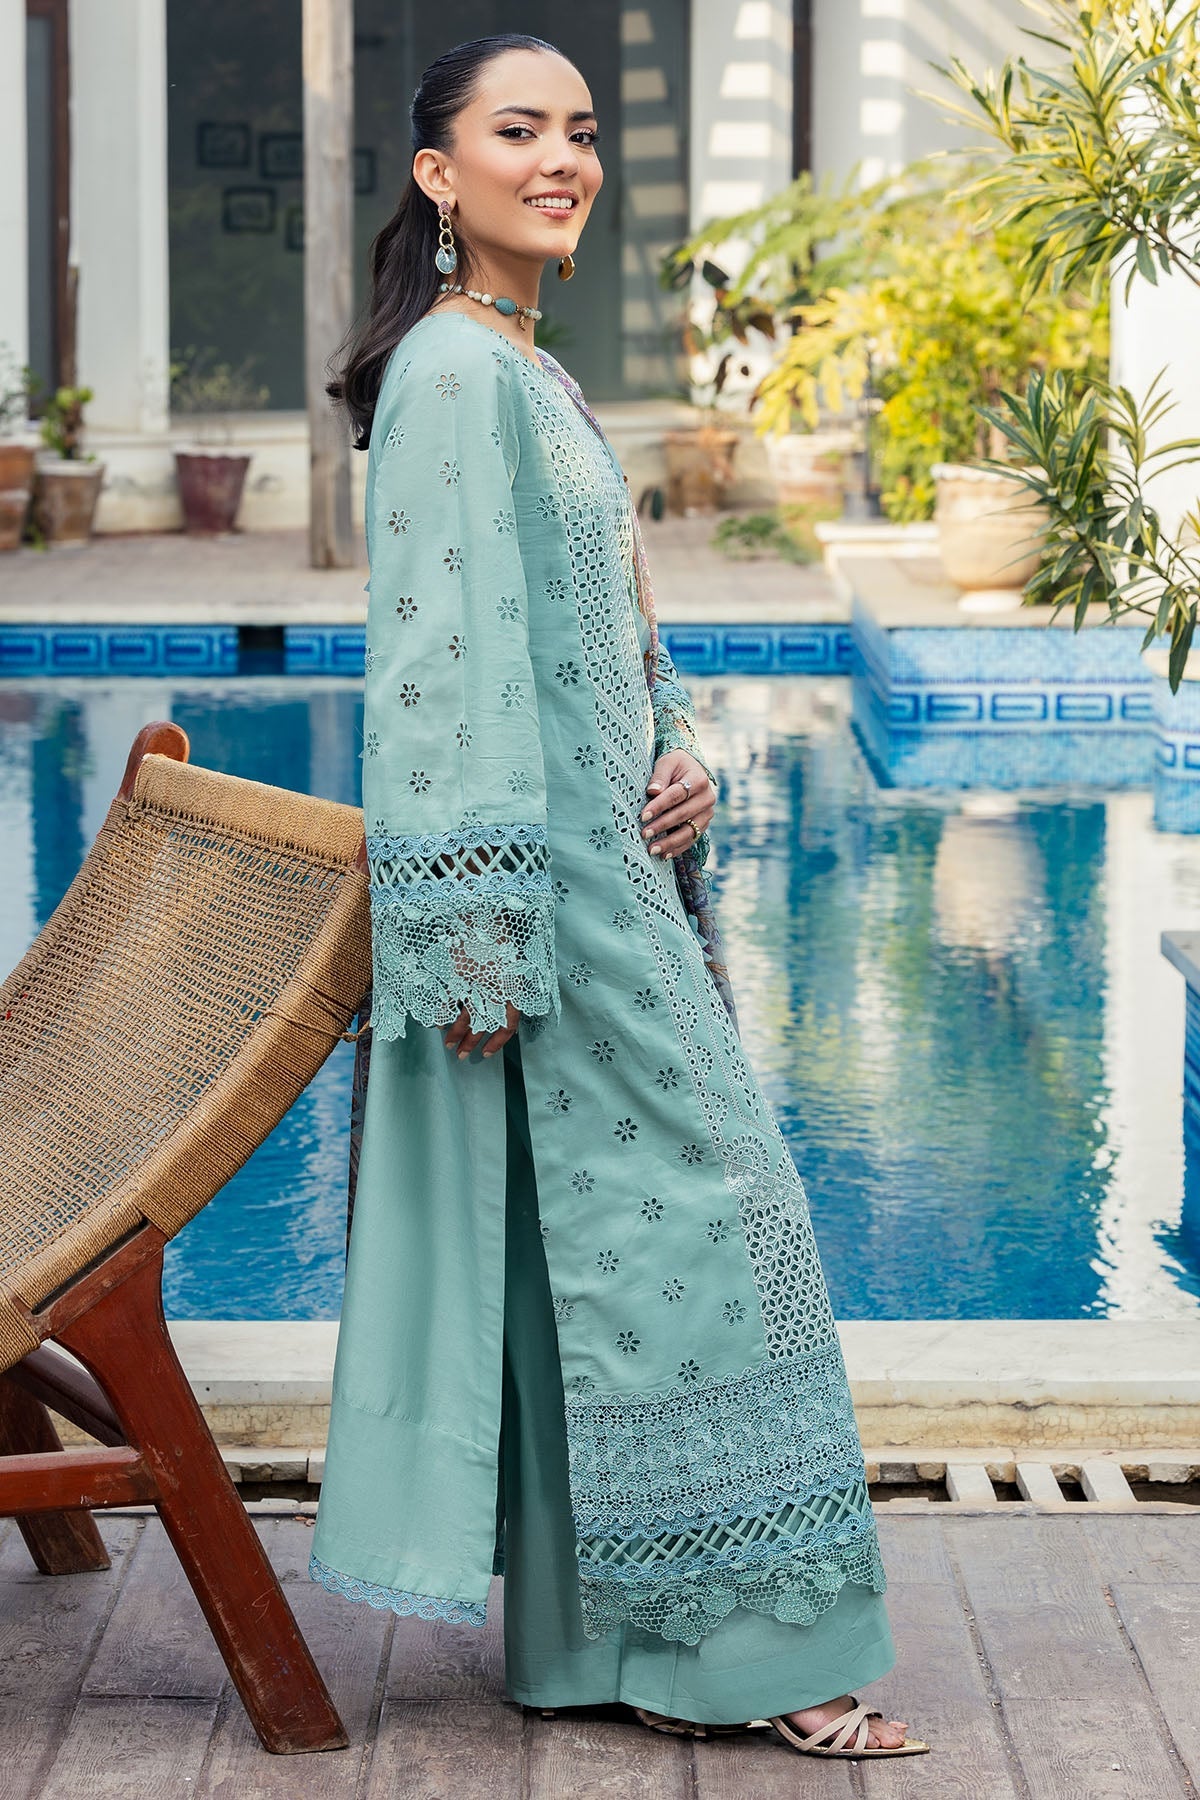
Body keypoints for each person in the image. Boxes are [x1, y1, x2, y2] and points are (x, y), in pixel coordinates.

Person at [308, 31, 928, 1763]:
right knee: (721, 1235)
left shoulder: (522, 364)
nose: (563, 159)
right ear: (440, 174)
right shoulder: (454, 371)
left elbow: (597, 626)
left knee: (615, 1254)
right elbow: (435, 671)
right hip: (548, 905)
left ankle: (608, 1645)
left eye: (580, 130)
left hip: (615, 874)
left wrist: (681, 751)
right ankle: (762, 1657)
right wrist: (482, 930)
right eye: (519, 131)